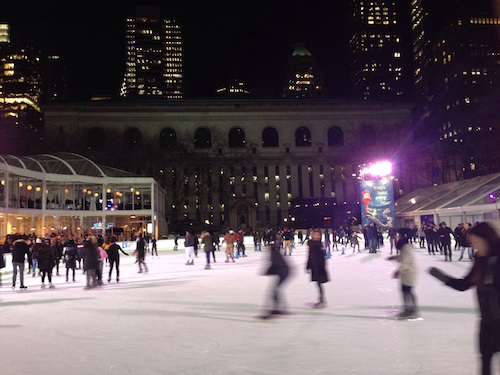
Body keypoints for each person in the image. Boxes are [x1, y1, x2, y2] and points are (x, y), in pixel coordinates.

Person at [429, 222, 500, 375]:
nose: (472, 246)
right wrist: (443, 277)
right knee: (485, 357)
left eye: (475, 241)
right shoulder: (480, 261)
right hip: (487, 321)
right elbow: (465, 284)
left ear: (486, 239)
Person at [387, 230, 419, 319]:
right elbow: (403, 258)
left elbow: (406, 262)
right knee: (406, 291)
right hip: (408, 272)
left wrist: (398, 271)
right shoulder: (405, 247)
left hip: (409, 272)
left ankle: (411, 310)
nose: (397, 237)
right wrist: (394, 257)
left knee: (407, 291)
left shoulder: (406, 248)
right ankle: (410, 309)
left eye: (399, 236)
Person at [260, 234, 290, 319]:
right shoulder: (275, 253)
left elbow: (275, 265)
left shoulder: (274, 254)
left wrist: (268, 271)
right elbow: (275, 266)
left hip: (285, 272)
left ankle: (276, 308)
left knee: (275, 290)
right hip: (283, 272)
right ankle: (277, 308)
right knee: (275, 290)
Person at [306, 229, 329, 308]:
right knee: (318, 284)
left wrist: (321, 268)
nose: (316, 236)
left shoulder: (320, 245)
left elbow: (323, 258)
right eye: (315, 235)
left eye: (318, 235)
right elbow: (309, 256)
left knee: (319, 284)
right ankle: (321, 300)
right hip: (314, 267)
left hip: (319, 268)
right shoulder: (311, 245)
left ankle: (322, 300)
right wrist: (308, 266)